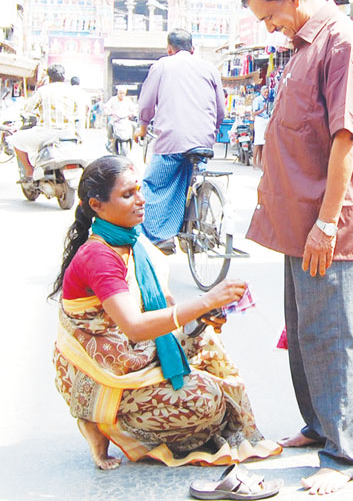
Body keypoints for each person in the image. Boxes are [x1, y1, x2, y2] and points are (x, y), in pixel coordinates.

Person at [51, 155, 281, 472]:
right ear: (97, 205)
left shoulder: (134, 241)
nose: (141, 200)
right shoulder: (99, 256)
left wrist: (203, 316)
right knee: (208, 403)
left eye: (139, 189)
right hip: (102, 372)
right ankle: (103, 420)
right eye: (127, 195)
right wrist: (205, 300)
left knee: (206, 343)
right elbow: (133, 327)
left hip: (135, 353)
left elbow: (168, 313)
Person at [241, 0, 353, 494]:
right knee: (304, 335)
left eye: (272, 17)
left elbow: (346, 138)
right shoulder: (302, 47)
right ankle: (320, 428)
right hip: (299, 221)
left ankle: (343, 456)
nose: (270, 28)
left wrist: (325, 224)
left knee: (333, 337)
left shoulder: (343, 42)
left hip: (326, 228)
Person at [135, 29, 226, 254]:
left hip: (172, 140)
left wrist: (143, 125)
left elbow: (147, 102)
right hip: (203, 141)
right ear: (192, 49)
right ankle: (195, 223)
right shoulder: (209, 68)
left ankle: (160, 236)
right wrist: (211, 133)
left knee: (153, 184)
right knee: (192, 180)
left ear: (169, 49)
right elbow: (220, 109)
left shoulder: (162, 65)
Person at [8, 64, 79, 178]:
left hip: (47, 133)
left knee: (15, 140)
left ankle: (29, 171)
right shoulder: (72, 91)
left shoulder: (43, 90)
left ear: (49, 77)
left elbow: (27, 108)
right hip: (69, 133)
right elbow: (77, 112)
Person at [104, 86, 137, 151]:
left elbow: (133, 109)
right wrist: (109, 112)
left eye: (123, 93)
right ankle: (110, 140)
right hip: (115, 120)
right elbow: (106, 107)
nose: (121, 95)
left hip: (125, 120)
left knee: (134, 125)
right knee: (110, 125)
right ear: (117, 92)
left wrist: (133, 113)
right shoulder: (113, 99)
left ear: (125, 93)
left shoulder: (128, 100)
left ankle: (132, 138)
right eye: (120, 93)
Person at [252, 85, 268, 168]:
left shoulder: (267, 100)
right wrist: (263, 110)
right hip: (259, 121)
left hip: (265, 121)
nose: (266, 94)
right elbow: (254, 113)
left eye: (267, 92)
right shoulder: (257, 100)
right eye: (265, 92)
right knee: (257, 142)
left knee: (263, 143)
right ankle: (254, 162)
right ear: (261, 92)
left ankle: (260, 162)